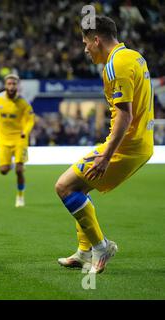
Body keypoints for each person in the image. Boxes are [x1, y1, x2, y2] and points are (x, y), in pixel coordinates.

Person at [55, 16, 154, 274]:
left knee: (64, 187)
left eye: (86, 42)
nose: (85, 49)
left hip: (125, 148)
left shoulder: (115, 65)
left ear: (96, 40)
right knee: (80, 188)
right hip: (139, 144)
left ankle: (101, 246)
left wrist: (106, 156)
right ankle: (84, 251)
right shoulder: (135, 57)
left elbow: (125, 115)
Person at [0, 74, 35, 207]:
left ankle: (20, 196)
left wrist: (25, 132)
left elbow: (30, 120)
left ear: (18, 86)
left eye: (14, 84)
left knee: (19, 170)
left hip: (19, 139)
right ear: (5, 85)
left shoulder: (23, 103)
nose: (11, 86)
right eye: (9, 84)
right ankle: (12, 163)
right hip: (3, 139)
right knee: (3, 170)